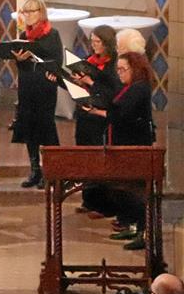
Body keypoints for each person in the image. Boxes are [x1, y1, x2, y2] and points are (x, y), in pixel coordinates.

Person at [83, 51, 155, 250]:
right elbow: (116, 109)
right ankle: (134, 225)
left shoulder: (140, 88)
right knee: (124, 189)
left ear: (136, 69)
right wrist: (97, 110)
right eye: (118, 70)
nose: (120, 74)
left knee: (136, 191)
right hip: (124, 144)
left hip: (135, 147)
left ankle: (144, 231)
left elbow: (122, 114)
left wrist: (100, 109)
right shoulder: (130, 87)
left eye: (124, 69)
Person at [48, 25, 121, 216]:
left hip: (101, 118)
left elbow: (112, 93)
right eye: (92, 41)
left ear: (107, 44)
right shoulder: (89, 62)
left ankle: (105, 206)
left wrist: (90, 82)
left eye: (98, 42)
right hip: (85, 116)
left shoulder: (114, 65)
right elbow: (77, 90)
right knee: (85, 158)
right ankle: (89, 200)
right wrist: (58, 79)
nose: (94, 45)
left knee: (99, 160)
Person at [10, 0, 63, 189]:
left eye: (32, 11)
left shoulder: (52, 34)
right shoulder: (24, 35)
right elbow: (22, 66)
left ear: (41, 13)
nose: (28, 15)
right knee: (29, 128)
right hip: (27, 87)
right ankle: (35, 170)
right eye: (25, 12)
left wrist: (49, 70)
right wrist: (20, 59)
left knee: (45, 128)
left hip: (45, 88)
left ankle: (53, 171)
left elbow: (57, 62)